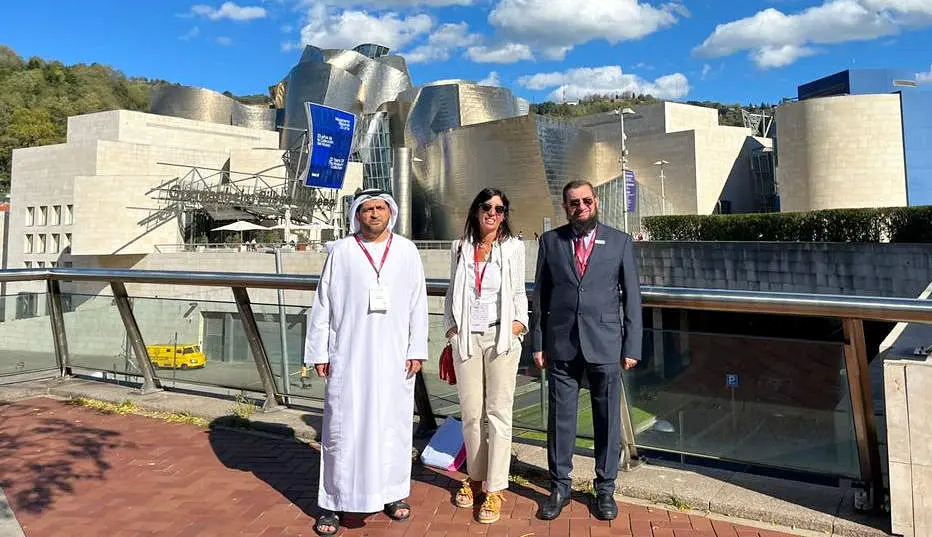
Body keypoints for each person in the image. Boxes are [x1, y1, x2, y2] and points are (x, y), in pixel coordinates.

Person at [304, 189, 429, 536]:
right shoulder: (342, 251)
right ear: (357, 215)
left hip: (394, 358)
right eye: (368, 209)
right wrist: (319, 352)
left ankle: (391, 494)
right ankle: (333, 502)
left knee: (393, 428)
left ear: (391, 213)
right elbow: (323, 303)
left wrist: (416, 349)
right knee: (342, 430)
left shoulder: (406, 251)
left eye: (380, 209)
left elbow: (418, 304)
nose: (374, 214)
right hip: (349, 355)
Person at [530, 179, 643, 521]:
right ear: (565, 207)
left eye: (585, 201)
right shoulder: (551, 242)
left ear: (596, 202)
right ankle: (560, 486)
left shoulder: (620, 242)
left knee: (607, 420)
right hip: (561, 344)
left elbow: (633, 299)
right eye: (573, 203)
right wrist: (537, 343)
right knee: (560, 420)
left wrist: (632, 345)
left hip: (606, 344)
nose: (580, 207)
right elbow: (541, 297)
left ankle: (605, 488)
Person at [443, 188, 528, 524]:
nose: (493, 213)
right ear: (476, 210)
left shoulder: (513, 248)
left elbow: (519, 290)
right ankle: (474, 478)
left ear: (505, 214)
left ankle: (494, 488)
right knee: (471, 412)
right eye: (487, 207)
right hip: (466, 336)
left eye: (500, 209)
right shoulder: (459, 247)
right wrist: (451, 328)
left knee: (498, 413)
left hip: (500, 334)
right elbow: (452, 289)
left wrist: (518, 325)